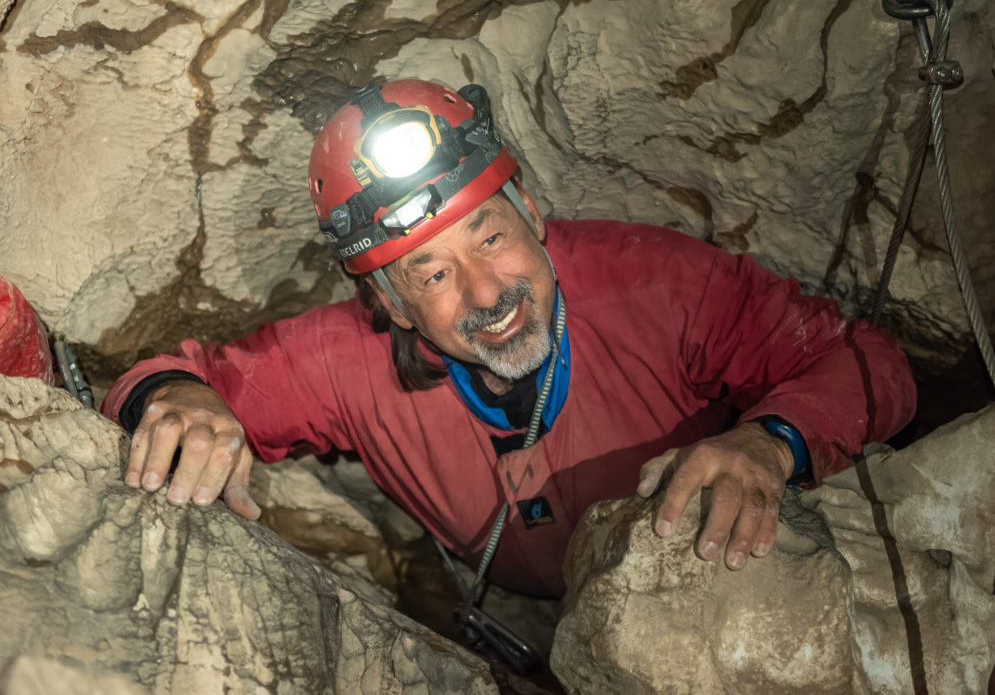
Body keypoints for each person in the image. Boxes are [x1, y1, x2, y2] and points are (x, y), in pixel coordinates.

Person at [101, 78, 916, 598]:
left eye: (490, 237)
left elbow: (870, 363)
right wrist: (177, 400)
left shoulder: (654, 285)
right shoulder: (346, 358)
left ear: (529, 208)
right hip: (518, 620)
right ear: (386, 302)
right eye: (431, 273)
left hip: (703, 586)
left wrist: (771, 444)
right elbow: (182, 380)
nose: (488, 294)